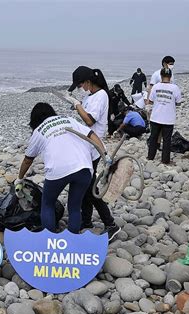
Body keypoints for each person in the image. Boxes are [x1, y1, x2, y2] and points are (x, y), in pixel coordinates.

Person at [16, 103, 109, 234]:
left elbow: (27, 160)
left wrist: (19, 178)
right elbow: (91, 134)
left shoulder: (39, 131)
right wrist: (105, 155)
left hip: (57, 171)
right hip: (83, 167)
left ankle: (49, 238)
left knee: (47, 203)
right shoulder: (68, 120)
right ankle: (72, 238)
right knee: (74, 206)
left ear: (34, 119)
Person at [65, 66, 120, 240]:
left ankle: (111, 224)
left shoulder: (101, 95)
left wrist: (77, 104)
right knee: (84, 186)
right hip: (85, 149)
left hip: (93, 149)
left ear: (88, 81)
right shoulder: (90, 96)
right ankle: (86, 220)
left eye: (81, 84)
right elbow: (85, 115)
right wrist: (77, 106)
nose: (81, 87)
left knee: (90, 189)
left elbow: (89, 120)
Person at [147, 67, 182, 165]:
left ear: (161, 76)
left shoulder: (156, 86)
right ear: (170, 77)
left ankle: (150, 157)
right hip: (168, 118)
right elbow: (179, 102)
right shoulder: (175, 88)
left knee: (153, 137)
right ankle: (165, 160)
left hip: (156, 116)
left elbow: (151, 100)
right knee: (167, 140)